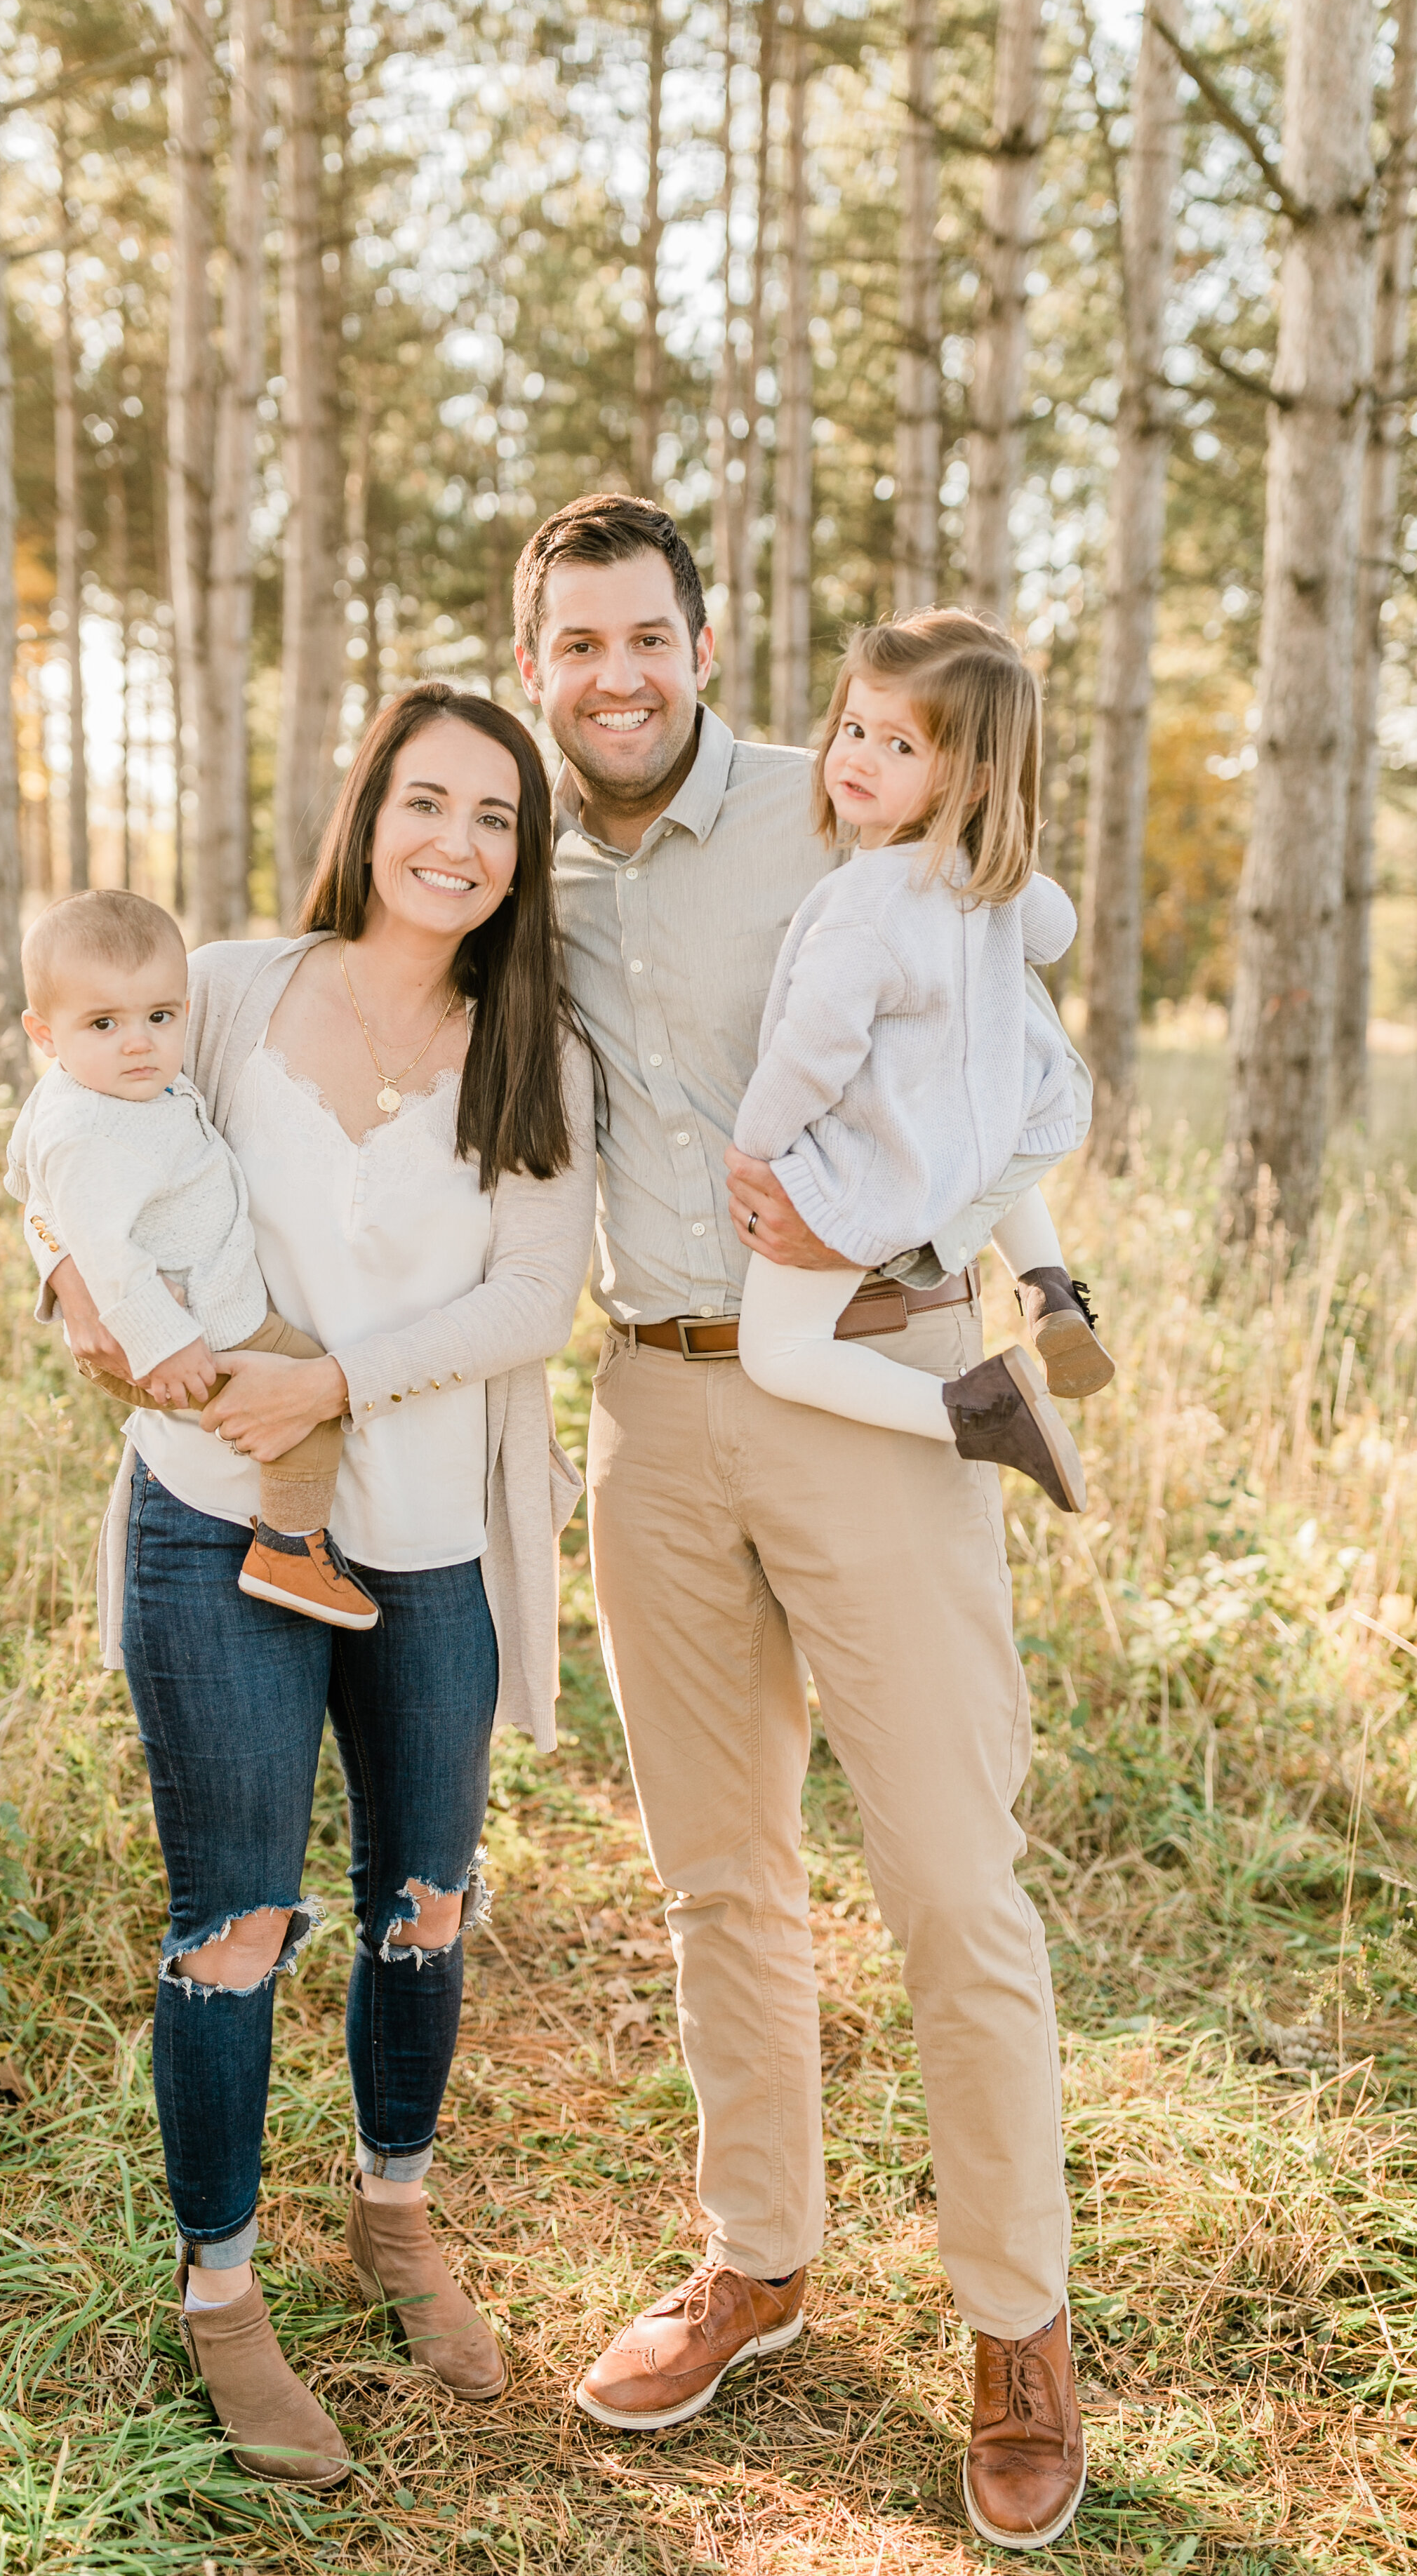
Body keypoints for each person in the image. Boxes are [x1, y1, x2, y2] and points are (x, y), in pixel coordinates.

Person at [517, 495, 1092, 2550]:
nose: (612, 676)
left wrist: (982, 1246)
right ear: (535, 662)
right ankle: (754, 2254)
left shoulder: (846, 801)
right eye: (573, 644)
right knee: (717, 1874)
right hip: (654, 1402)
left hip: (878, 1368)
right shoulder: (523, 854)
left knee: (950, 1872)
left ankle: (1013, 2322)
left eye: (643, 637)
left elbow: (1021, 1017)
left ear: (699, 638)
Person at [20, 686, 594, 2487]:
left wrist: (335, 1382)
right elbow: (78, 1145)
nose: (455, 841)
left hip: (429, 1536)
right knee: (237, 1918)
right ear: (370, 810)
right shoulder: (243, 986)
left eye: (494, 816)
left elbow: (531, 1304)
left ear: (522, 855)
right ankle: (225, 2290)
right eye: (426, 799)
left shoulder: (535, 1046)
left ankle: (398, 2212)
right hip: (212, 1517)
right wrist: (72, 1299)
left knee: (423, 1898)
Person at [733, 613, 1117, 1512]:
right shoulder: (977, 879)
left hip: (872, 1172)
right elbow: (1053, 931)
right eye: (854, 730)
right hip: (985, 1127)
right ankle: (1049, 1288)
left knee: (778, 1350)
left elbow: (812, 1049)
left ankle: (975, 1406)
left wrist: (755, 1148)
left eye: (899, 745)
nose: (857, 758)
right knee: (987, 1148)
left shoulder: (865, 904)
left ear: (971, 777)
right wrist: (995, 849)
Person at [6, 888, 378, 1628]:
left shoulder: (108, 1089)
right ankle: (290, 1548)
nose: (138, 1042)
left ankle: (285, 1539)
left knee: (301, 1391)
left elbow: (29, 1178)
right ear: (44, 1034)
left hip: (204, 1313)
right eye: (104, 1023)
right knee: (309, 1401)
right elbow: (104, 1253)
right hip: (197, 1330)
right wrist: (163, 1341)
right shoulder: (89, 1129)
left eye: (160, 1017)